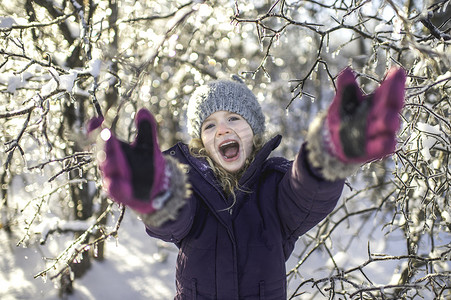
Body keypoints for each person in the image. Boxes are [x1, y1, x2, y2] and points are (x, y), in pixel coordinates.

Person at [95, 67, 406, 299]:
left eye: (234, 118)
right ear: (200, 141)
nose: (222, 130)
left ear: (254, 131)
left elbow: (304, 192)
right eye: (209, 124)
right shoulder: (190, 188)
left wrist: (327, 154)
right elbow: (175, 217)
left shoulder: (275, 186)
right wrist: (156, 190)